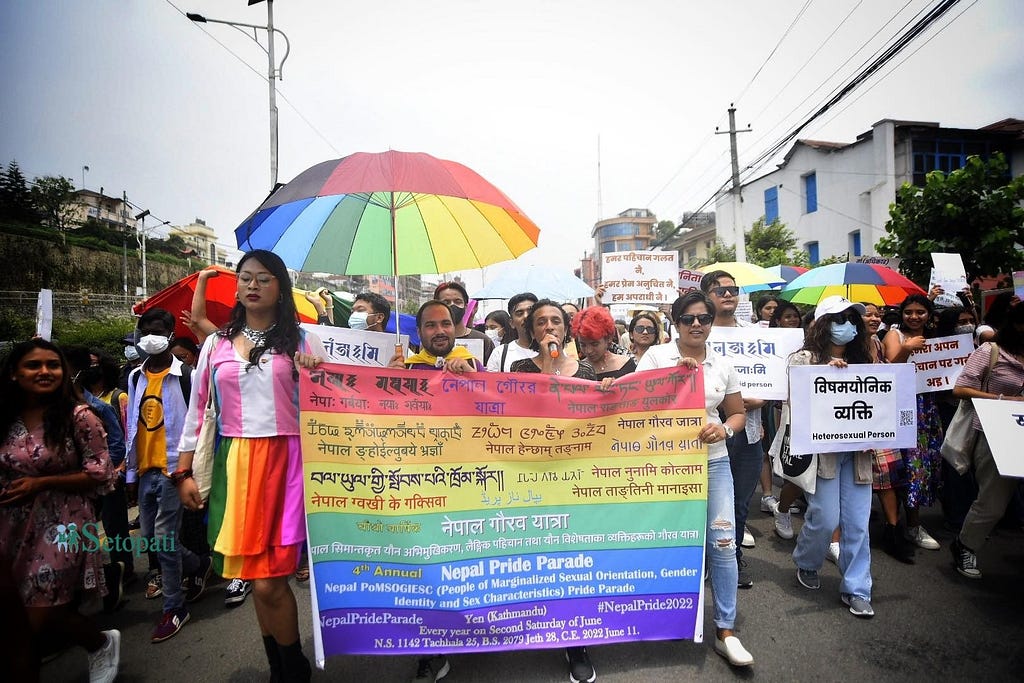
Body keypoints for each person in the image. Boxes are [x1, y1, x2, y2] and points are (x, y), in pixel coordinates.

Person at [176, 250, 326, 681]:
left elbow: (332, 400)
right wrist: (183, 472)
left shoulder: (303, 342)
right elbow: (198, 411)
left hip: (289, 463)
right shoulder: (215, 344)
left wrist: (314, 373)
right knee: (255, 576)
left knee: (268, 582)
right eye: (246, 278)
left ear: (281, 287)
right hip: (235, 465)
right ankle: (281, 665)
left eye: (264, 278)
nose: (253, 285)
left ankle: (293, 668)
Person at [636, 291, 752, 666]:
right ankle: (661, 615)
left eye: (704, 317)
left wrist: (726, 431)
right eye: (689, 318)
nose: (697, 324)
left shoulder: (723, 364)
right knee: (667, 541)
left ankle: (725, 630)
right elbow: (632, 404)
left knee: (722, 543)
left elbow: (736, 414)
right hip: (666, 467)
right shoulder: (656, 357)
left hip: (714, 464)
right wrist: (672, 379)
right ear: (676, 323)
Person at [0, 339, 120, 682]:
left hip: (63, 525)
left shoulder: (79, 417)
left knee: (34, 622)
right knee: (21, 620)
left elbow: (101, 472)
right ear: (13, 373)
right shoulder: (5, 419)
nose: (44, 372)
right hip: (11, 528)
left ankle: (98, 643)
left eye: (52, 365)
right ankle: (97, 641)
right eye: (33, 365)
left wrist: (42, 483)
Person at [387, 300, 479, 682]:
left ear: (456, 328)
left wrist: (470, 377)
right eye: (430, 325)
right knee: (426, 571)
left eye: (446, 323)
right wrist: (388, 380)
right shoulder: (404, 368)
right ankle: (431, 651)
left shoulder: (474, 365)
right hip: (420, 486)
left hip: (468, 487)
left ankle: (478, 635)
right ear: (419, 332)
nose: (440, 331)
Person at [510, 298, 599, 682]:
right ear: (532, 332)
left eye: (556, 321)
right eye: (541, 322)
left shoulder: (589, 370)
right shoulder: (518, 368)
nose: (549, 327)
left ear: (566, 329)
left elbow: (603, 420)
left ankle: (575, 641)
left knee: (572, 556)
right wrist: (546, 370)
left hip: (575, 477)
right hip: (531, 475)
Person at [125, 308, 212, 643]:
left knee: (162, 541)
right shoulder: (136, 377)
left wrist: (186, 470)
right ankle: (197, 563)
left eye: (159, 328)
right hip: (145, 471)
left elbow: (196, 425)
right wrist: (131, 475)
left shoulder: (187, 375)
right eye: (146, 328)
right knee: (151, 540)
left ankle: (174, 607)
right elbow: (134, 426)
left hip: (174, 471)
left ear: (171, 333)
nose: (151, 334)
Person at [789, 296, 877, 618]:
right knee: (825, 517)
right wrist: (824, 375)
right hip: (822, 453)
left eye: (853, 321)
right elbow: (794, 402)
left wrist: (878, 435)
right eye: (840, 320)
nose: (848, 327)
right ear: (824, 324)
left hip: (857, 454)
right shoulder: (804, 359)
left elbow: (879, 407)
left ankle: (857, 588)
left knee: (857, 522)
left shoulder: (865, 363)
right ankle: (807, 561)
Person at [950, 301, 1024, 578]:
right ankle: (965, 545)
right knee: (993, 501)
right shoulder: (990, 351)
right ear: (1018, 325)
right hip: (996, 433)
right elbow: (961, 389)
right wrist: (1004, 400)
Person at [701, 270, 763, 586]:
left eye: (732, 289)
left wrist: (762, 398)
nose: (727, 294)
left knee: (739, 503)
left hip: (749, 431)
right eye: (719, 289)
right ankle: (707, 560)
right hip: (708, 437)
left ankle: (732, 560)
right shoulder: (697, 335)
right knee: (707, 504)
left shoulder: (757, 335)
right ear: (705, 297)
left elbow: (773, 379)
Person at [65, 346, 131, 611]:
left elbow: (117, 444)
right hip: (72, 490)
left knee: (114, 530)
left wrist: (111, 472)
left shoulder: (98, 409)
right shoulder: (53, 413)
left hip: (102, 481)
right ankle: (109, 572)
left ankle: (119, 570)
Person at [883, 294, 944, 551]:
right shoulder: (894, 336)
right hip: (902, 408)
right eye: (909, 312)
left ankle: (912, 523)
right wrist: (908, 348)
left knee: (925, 465)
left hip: (927, 409)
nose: (914, 316)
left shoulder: (939, 338)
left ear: (929, 314)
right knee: (907, 467)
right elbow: (891, 367)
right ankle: (903, 525)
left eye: (921, 311)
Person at [434, 281, 493, 364]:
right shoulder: (431, 340)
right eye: (446, 302)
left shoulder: (484, 341)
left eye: (458, 302)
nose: (452, 305)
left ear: (466, 306)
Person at [572, 305, 636, 380]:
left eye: (594, 344)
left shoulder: (627, 365)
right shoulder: (576, 370)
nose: (588, 350)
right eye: (583, 345)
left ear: (608, 339)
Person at [486, 292, 539, 372]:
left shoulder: (554, 350)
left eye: (530, 311)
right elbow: (491, 383)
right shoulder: (500, 353)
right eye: (519, 313)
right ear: (512, 323)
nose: (526, 316)